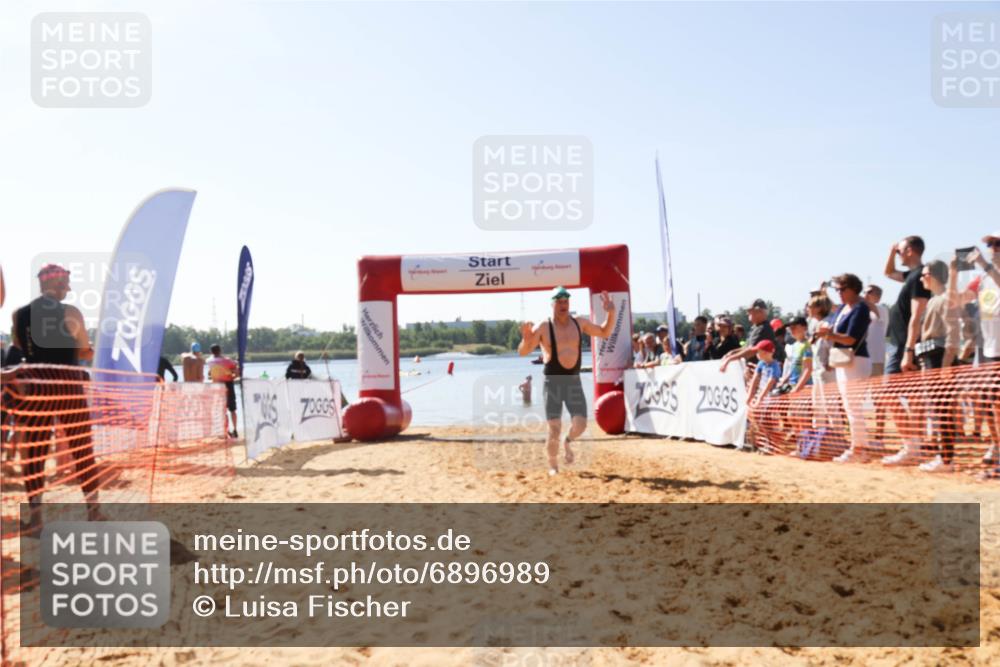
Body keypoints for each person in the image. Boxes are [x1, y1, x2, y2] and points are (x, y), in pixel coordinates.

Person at [10, 264, 102, 531]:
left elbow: (19, 346)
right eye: (67, 284)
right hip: (67, 385)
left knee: (35, 453)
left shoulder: (19, 314)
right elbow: (84, 349)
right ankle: (93, 511)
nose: (69, 289)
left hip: (36, 386)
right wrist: (83, 350)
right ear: (59, 284)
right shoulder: (71, 312)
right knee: (82, 450)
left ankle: (36, 518)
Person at [518, 286, 616, 475]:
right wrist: (526, 339)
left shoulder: (579, 323)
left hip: (573, 381)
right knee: (554, 428)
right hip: (552, 382)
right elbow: (523, 351)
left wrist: (611, 313)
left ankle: (568, 441)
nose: (563, 305)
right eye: (559, 302)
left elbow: (604, 332)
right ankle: (553, 465)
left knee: (580, 425)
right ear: (552, 304)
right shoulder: (544, 327)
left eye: (566, 301)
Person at [815, 273, 873, 463]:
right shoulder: (842, 308)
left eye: (842, 289)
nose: (839, 293)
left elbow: (850, 338)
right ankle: (858, 446)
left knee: (853, 406)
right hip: (843, 360)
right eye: (837, 289)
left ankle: (859, 449)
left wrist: (829, 335)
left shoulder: (860, 309)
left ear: (853, 288)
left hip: (856, 360)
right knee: (849, 406)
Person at [911, 259, 961, 473]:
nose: (922, 277)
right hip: (931, 356)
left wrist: (947, 365)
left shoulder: (944, 299)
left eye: (925, 274)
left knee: (943, 410)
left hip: (939, 358)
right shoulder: (934, 300)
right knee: (938, 408)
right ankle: (944, 456)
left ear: (935, 276)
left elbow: (953, 333)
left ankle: (946, 459)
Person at [884, 235, 931, 374]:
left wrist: (908, 351)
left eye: (900, 252)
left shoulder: (919, 277)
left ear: (909, 251)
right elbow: (888, 272)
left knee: (890, 392)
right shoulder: (912, 274)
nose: (898, 255)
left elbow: (917, 316)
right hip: (899, 344)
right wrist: (892, 252)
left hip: (903, 346)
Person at [719, 299, 776, 373]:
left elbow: (751, 351)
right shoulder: (755, 328)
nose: (748, 313)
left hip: (762, 371)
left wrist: (730, 358)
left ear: (760, 312)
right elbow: (746, 347)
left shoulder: (764, 329)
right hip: (754, 370)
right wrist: (732, 352)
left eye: (751, 311)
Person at [745, 340, 782, 451]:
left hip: (770, 396)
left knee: (767, 420)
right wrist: (750, 395)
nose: (757, 354)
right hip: (761, 394)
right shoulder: (761, 364)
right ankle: (755, 444)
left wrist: (760, 398)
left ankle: (769, 443)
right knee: (754, 419)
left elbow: (771, 382)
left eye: (759, 352)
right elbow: (755, 379)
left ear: (766, 352)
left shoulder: (775, 366)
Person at [207, 344, 240, 438]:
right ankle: (235, 429)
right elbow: (236, 371)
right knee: (232, 409)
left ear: (211, 351)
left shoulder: (209, 361)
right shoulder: (227, 360)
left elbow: (210, 374)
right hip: (228, 384)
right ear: (220, 350)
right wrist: (234, 375)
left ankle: (226, 430)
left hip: (217, 386)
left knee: (222, 410)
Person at [862, 284, 890, 376]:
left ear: (878, 297)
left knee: (876, 389)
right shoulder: (862, 311)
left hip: (876, 358)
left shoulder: (882, 309)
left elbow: (870, 306)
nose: (865, 294)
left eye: (869, 292)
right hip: (863, 358)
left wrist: (853, 295)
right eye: (864, 292)